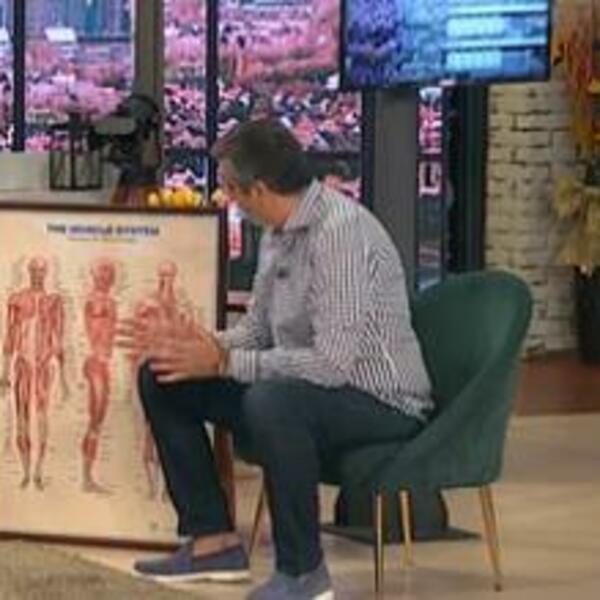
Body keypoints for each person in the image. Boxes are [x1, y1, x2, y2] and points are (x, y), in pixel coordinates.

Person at [118, 119, 433, 600]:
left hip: (379, 400)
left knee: (273, 402)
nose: (226, 199)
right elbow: (257, 333)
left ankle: (304, 572)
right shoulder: (278, 233)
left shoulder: (340, 235)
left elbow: (331, 366)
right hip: (307, 387)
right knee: (164, 375)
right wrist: (201, 346)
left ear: (259, 190)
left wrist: (224, 363)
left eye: (229, 188)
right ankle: (212, 541)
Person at [0, 256, 67, 491]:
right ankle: (26, 471)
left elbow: (58, 339)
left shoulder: (53, 301)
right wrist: (4, 373)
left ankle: (38, 470)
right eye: (35, 270)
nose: (38, 274)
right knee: (21, 419)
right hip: (23, 366)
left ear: (46, 273)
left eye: (42, 270)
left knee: (41, 417)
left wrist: (64, 378)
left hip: (43, 366)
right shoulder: (17, 300)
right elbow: (9, 337)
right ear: (29, 272)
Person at [81, 258, 118, 494]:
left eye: (109, 275)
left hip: (102, 363)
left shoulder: (108, 302)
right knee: (94, 422)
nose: (106, 279)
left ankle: (88, 477)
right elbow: (93, 330)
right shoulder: (95, 301)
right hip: (96, 362)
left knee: (97, 422)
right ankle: (86, 478)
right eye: (102, 275)